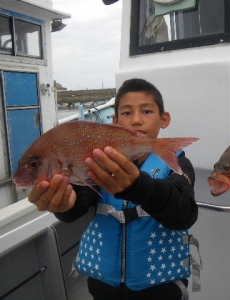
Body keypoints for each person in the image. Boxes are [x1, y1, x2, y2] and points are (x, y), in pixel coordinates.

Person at [28, 78, 199, 300]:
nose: (137, 120)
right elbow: (81, 198)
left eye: (147, 111)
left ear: (164, 119)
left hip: (161, 290)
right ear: (115, 122)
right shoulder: (100, 164)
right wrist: (65, 204)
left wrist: (139, 187)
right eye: (127, 113)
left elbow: (184, 213)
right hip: (103, 290)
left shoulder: (178, 164)